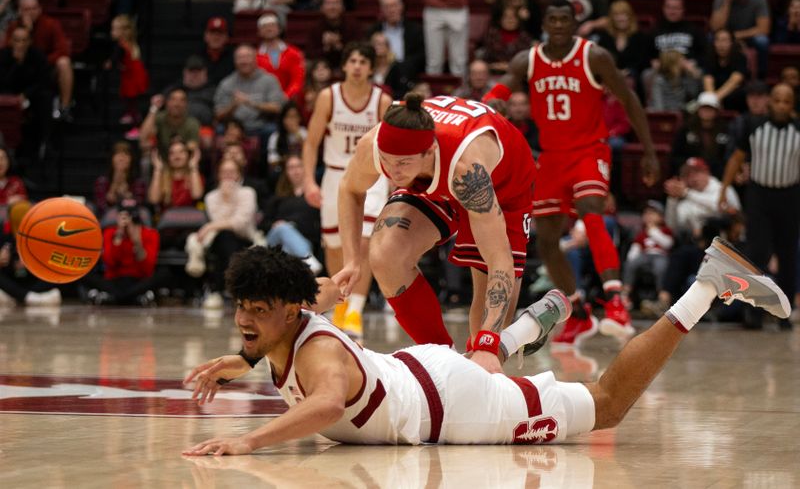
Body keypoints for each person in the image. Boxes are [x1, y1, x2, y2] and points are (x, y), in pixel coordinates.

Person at [181, 240, 790, 454]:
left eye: (256, 311)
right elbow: (289, 321)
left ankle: (708, 284)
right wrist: (239, 362)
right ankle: (522, 331)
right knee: (481, 371)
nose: (244, 319)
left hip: (451, 402)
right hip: (421, 372)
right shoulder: (293, 311)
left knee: (607, 405)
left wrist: (248, 439)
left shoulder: (316, 356)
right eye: (241, 308)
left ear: (290, 309)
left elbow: (322, 404)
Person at [484, 0, 660, 347]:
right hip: (551, 158)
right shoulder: (528, 60)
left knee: (591, 212)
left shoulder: (594, 56)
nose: (560, 24)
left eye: (566, 19)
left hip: (590, 150)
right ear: (545, 23)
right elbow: (501, 88)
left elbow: (629, 100)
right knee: (547, 240)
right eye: (554, 18)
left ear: (575, 22)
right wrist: (492, 102)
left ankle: (615, 302)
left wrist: (649, 151)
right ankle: (578, 312)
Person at [335, 92, 536, 373]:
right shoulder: (379, 144)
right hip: (430, 178)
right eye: (387, 161)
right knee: (385, 254)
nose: (392, 171)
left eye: (402, 163)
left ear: (428, 151)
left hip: (504, 187)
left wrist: (488, 343)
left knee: (485, 338)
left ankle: (532, 327)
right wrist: (352, 260)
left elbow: (498, 260)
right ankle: (443, 358)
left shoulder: (468, 170)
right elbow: (349, 189)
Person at [302, 42, 392, 339]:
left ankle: (356, 308)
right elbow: (312, 141)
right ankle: (339, 305)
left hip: (371, 176)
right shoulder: (330, 97)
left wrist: (393, 185)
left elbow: (392, 146)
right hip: (335, 176)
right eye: (352, 60)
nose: (357, 66)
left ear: (370, 67)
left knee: (363, 243)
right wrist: (308, 181)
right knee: (335, 246)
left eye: (362, 61)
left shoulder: (381, 100)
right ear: (345, 65)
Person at [719, 83, 800, 329]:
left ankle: (783, 313)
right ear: (769, 102)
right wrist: (723, 189)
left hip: (790, 197)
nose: (781, 105)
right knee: (757, 254)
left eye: (787, 101)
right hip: (759, 197)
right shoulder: (754, 126)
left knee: (788, 256)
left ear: (792, 105)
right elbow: (737, 158)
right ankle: (753, 313)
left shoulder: (798, 130)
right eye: (777, 100)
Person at [185, 158, 259, 309]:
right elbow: (220, 223)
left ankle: (217, 290)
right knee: (224, 238)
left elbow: (240, 223)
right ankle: (232, 290)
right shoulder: (211, 197)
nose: (228, 176)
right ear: (218, 175)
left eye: (232, 172)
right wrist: (225, 200)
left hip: (245, 238)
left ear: (239, 174)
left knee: (227, 239)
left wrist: (209, 227)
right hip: (221, 240)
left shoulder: (248, 193)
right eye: (224, 172)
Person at [82, 199, 165, 307]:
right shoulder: (110, 233)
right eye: (124, 215)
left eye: (130, 215)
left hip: (138, 279)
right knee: (83, 274)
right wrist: (118, 237)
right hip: (114, 280)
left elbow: (147, 269)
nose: (127, 219)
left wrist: (137, 242)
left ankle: (113, 297)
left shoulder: (151, 234)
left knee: (164, 274)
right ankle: (134, 297)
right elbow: (109, 263)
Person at [7, 0, 73, 121]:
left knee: (64, 63)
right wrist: (26, 32)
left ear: (39, 9)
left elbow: (63, 50)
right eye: (27, 9)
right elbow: (6, 51)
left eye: (33, 8)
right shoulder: (14, 26)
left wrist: (42, 62)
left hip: (46, 67)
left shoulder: (51, 24)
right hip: (20, 69)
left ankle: (65, 108)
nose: (31, 12)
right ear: (20, 11)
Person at [263, 155, 323, 274]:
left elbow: (318, 223)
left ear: (305, 169)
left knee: (288, 248)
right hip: (275, 240)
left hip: (304, 240)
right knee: (282, 229)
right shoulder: (278, 198)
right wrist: (278, 225)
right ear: (286, 172)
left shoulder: (315, 196)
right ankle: (309, 261)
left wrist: (293, 225)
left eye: (298, 166)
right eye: (291, 167)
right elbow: (264, 224)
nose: (295, 171)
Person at [0, 26, 51, 164]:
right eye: (17, 40)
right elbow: (3, 82)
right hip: (7, 96)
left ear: (30, 41)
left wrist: (26, 94)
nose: (20, 44)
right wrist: (17, 64)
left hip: (32, 97)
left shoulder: (38, 56)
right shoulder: (3, 55)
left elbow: (43, 80)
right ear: (11, 41)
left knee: (45, 98)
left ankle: (43, 144)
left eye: (24, 40)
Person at [214, 44, 287, 139]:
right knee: (219, 129)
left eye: (247, 57)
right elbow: (218, 115)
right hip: (234, 127)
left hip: (261, 126)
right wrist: (233, 106)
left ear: (255, 59)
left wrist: (251, 103)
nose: (244, 61)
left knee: (272, 129)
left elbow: (277, 108)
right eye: (240, 58)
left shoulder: (269, 80)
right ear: (234, 61)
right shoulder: (226, 83)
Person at [709, 0, 769, 79]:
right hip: (725, 37)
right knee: (710, 38)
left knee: (762, 41)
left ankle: (761, 75)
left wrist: (735, 36)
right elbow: (715, 27)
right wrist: (727, 1)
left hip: (749, 37)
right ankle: (713, 72)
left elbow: (763, 29)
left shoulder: (759, 0)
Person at [664, 157, 739, 238]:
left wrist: (687, 193)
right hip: (700, 245)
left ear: (707, 172)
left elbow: (720, 207)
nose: (692, 177)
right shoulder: (686, 198)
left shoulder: (723, 188)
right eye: (687, 174)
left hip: (730, 241)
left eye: (696, 172)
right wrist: (672, 199)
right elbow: (673, 228)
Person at [366, 0, 426, 88]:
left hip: (406, 75)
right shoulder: (373, 30)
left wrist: (402, 67)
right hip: (379, 74)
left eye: (394, 5)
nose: (391, 10)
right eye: (387, 7)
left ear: (401, 7)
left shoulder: (415, 30)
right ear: (381, 9)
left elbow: (420, 56)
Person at [621, 200, 673, 307]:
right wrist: (631, 259)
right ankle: (625, 294)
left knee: (661, 267)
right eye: (646, 213)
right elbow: (636, 248)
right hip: (644, 255)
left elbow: (668, 244)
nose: (648, 216)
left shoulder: (665, 230)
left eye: (652, 213)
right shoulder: (641, 233)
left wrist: (653, 231)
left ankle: (662, 297)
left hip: (660, 256)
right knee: (630, 264)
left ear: (661, 217)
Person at [670, 92, 730, 178]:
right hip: (690, 176)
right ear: (698, 109)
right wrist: (691, 163)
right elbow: (675, 156)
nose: (706, 111)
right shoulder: (686, 130)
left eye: (710, 108)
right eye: (703, 108)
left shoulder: (725, 131)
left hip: (717, 177)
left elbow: (727, 157)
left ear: (716, 111)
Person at [255, 11, 306, 104]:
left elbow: (298, 80)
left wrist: (286, 96)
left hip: (289, 101)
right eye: (265, 26)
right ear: (259, 32)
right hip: (262, 101)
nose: (269, 29)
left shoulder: (294, 53)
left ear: (279, 29)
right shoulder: (254, 56)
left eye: (272, 25)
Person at [305, 0, 361, 75]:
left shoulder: (353, 25)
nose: (332, 7)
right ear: (322, 7)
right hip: (321, 69)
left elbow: (359, 52)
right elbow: (309, 54)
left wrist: (339, 46)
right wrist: (326, 47)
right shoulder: (314, 27)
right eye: (328, 3)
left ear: (343, 7)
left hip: (347, 67)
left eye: (336, 3)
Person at [592, 0, 649, 80]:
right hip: (609, 76)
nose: (621, 18)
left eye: (624, 14)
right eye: (617, 15)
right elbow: (601, 60)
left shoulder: (639, 36)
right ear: (611, 18)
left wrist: (627, 71)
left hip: (632, 77)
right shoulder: (605, 37)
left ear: (630, 17)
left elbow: (642, 62)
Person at [140, 87, 201, 160]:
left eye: (182, 100)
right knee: (145, 150)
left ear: (186, 104)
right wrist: (154, 108)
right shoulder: (159, 118)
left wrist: (178, 146)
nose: (177, 104)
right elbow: (144, 137)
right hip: (161, 159)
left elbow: (193, 146)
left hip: (183, 162)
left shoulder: (192, 123)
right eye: (173, 99)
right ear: (166, 102)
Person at [110, 14, 149, 125]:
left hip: (132, 75)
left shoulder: (122, 46)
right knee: (131, 98)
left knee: (131, 98)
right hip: (132, 73)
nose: (112, 32)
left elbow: (116, 59)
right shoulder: (128, 44)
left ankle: (134, 118)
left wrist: (111, 64)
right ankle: (132, 115)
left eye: (115, 29)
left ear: (124, 31)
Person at [148, 139, 205, 212]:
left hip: (190, 219)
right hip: (167, 221)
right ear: (168, 158)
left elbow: (197, 195)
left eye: (181, 152)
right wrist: (157, 169)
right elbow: (153, 199)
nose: (177, 156)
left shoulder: (195, 176)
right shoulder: (161, 178)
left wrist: (193, 166)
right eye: (172, 153)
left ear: (188, 155)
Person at [93, 141, 147, 217]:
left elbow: (139, 204)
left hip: (132, 217)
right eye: (118, 154)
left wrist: (127, 196)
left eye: (126, 154)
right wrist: (114, 187)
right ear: (112, 159)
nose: (121, 158)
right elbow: (101, 207)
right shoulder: (102, 182)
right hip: (109, 217)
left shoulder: (138, 182)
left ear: (131, 159)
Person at [702, 28, 748, 112]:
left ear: (732, 43)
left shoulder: (740, 58)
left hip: (731, 92)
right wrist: (711, 100)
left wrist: (713, 100)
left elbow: (734, 81)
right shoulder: (709, 58)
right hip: (714, 93)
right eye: (718, 40)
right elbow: (708, 80)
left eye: (724, 40)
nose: (721, 44)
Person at [481, 7, 534, 75]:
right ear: (500, 20)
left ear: (518, 20)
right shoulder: (491, 35)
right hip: (493, 70)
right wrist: (496, 65)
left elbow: (526, 60)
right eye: (506, 17)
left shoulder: (525, 37)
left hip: (518, 73)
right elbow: (486, 57)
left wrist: (509, 66)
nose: (510, 20)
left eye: (513, 17)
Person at [266, 101, 306, 181]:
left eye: (294, 116)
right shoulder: (275, 136)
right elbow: (271, 161)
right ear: (283, 119)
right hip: (283, 169)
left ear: (299, 118)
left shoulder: (304, 133)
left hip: (302, 167)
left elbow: (310, 154)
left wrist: (297, 134)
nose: (291, 120)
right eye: (288, 117)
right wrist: (286, 160)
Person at [196, 17, 235, 88]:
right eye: (212, 33)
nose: (216, 37)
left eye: (220, 33)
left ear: (227, 37)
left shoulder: (235, 58)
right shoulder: (196, 57)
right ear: (205, 36)